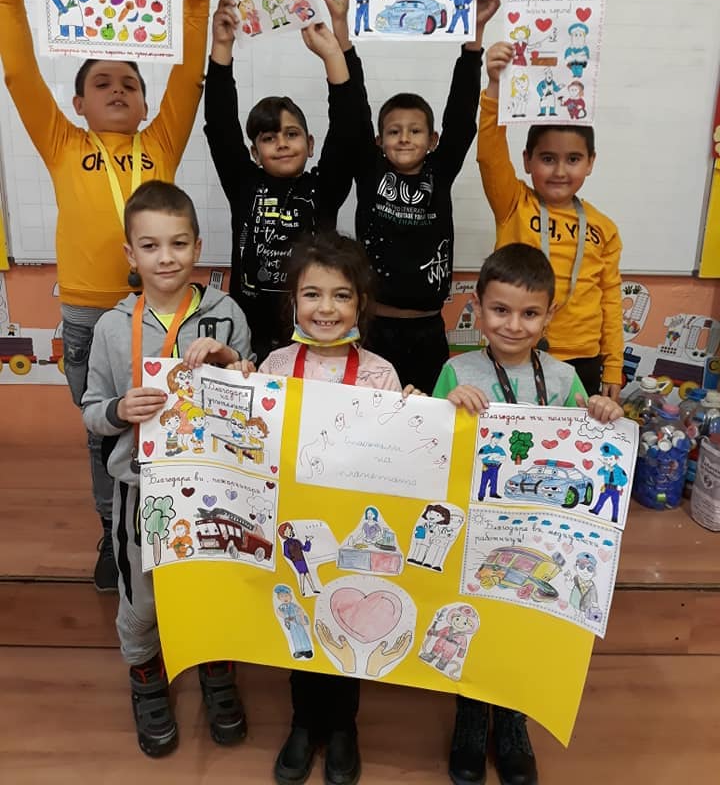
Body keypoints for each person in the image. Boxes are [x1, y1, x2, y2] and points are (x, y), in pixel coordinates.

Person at [0, 0, 216, 590]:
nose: (117, 89)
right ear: (78, 103)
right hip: (89, 318)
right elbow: (20, 75)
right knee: (104, 431)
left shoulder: (160, 141)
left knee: (169, 421)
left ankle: (174, 521)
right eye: (102, 82)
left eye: (130, 84)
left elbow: (188, 78)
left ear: (147, 104)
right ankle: (110, 525)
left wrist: (195, 1)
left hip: (157, 314)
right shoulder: (63, 142)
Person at [231, 230, 419, 785]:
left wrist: (412, 415)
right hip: (290, 522)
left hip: (352, 529)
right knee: (300, 619)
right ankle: (302, 722)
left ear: (361, 303)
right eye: (312, 294)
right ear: (293, 300)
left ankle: (342, 728)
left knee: (347, 621)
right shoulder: (274, 364)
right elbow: (252, 437)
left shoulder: (381, 373)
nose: (326, 308)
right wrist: (241, 388)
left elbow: (401, 458)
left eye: (341, 295)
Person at [433, 242, 623, 785]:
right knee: (474, 616)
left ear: (549, 315)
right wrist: (447, 406)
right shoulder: (456, 372)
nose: (514, 325)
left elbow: (590, 442)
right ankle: (471, 714)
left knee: (524, 621)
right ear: (477, 307)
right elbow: (432, 445)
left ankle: (513, 719)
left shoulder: (564, 379)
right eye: (501, 310)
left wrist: (603, 411)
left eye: (530, 313)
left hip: (539, 533)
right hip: (475, 527)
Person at [81, 181, 253, 758]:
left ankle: (216, 667)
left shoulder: (226, 313)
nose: (166, 257)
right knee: (145, 595)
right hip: (142, 486)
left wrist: (233, 363)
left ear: (197, 246)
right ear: (130, 254)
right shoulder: (112, 327)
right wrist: (118, 409)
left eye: (179, 243)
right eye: (150, 246)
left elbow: (257, 396)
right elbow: (91, 411)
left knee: (214, 584)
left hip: (216, 485)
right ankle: (146, 675)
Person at [313, 0, 501, 393]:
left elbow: (461, 116)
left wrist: (474, 36)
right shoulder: (371, 169)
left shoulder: (440, 170)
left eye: (415, 131)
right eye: (394, 131)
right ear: (379, 141)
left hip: (427, 330)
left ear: (432, 140)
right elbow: (353, 104)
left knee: (429, 418)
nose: (404, 138)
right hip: (373, 328)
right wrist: (341, 26)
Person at [203, 0, 354, 363]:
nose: (282, 143)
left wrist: (332, 57)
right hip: (248, 339)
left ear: (310, 144)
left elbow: (347, 130)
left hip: (313, 337)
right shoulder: (244, 184)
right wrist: (222, 46)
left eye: (291, 134)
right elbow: (221, 127)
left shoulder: (324, 188)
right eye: (269, 138)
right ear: (255, 152)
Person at [476, 40, 624, 399]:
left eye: (573, 159)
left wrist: (613, 366)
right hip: (516, 349)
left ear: (590, 162)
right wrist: (494, 86)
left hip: (582, 358)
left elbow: (610, 299)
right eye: (547, 159)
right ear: (527, 160)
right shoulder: (514, 204)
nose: (560, 171)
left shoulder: (604, 228)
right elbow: (490, 155)